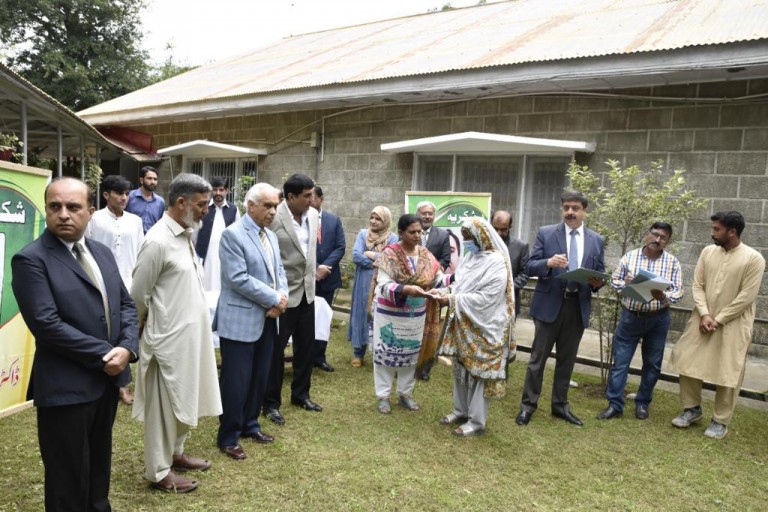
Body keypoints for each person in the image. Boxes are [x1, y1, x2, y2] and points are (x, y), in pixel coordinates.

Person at [11, 177, 138, 511]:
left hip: (105, 384)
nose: (64, 214)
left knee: (98, 470)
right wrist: (106, 355)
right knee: (67, 481)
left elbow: (125, 305)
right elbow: (47, 325)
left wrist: (127, 348)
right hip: (65, 389)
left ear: (90, 212)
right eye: (55, 206)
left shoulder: (102, 253)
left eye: (73, 206)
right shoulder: (31, 259)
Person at [130, 173, 222, 493]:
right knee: (163, 407)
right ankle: (158, 471)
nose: (206, 210)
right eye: (201, 205)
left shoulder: (185, 234)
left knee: (186, 396)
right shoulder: (157, 240)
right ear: (181, 203)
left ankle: (175, 453)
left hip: (191, 339)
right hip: (166, 340)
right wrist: (142, 333)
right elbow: (138, 295)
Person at [670, 211, 765, 440]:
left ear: (732, 231)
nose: (712, 233)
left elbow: (747, 296)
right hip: (702, 318)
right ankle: (691, 408)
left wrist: (719, 318)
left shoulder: (754, 259)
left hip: (734, 322)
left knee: (729, 370)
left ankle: (720, 420)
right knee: (687, 358)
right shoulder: (707, 252)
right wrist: (704, 314)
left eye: (716, 229)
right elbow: (697, 285)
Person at [516, 190, 605, 427]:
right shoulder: (546, 233)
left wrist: (598, 282)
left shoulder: (596, 240)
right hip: (549, 305)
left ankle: (560, 406)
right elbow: (530, 266)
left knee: (567, 361)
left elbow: (600, 272)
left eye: (575, 208)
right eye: (566, 208)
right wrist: (548, 262)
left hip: (577, 307)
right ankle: (527, 406)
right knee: (537, 360)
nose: (570, 212)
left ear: (584, 211)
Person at [214, 183, 288, 460]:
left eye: (275, 206)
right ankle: (228, 436)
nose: (273, 211)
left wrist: (282, 298)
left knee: (259, 376)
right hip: (240, 319)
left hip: (268, 318)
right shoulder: (232, 235)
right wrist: (274, 299)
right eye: (268, 206)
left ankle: (250, 424)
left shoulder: (271, 236)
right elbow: (238, 278)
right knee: (236, 380)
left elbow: (279, 272)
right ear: (250, 205)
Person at [431, 217, 514, 437]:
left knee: (479, 373)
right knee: (461, 368)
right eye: (464, 237)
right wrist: (444, 292)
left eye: (469, 238)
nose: (466, 242)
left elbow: (488, 298)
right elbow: (460, 284)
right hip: (465, 322)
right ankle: (460, 411)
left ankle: (477, 422)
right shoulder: (469, 258)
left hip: (487, 326)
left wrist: (452, 300)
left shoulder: (496, 261)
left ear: (481, 237)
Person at [596, 222, 684, 421]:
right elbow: (614, 281)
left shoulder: (673, 262)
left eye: (663, 237)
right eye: (654, 234)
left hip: (658, 319)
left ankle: (643, 403)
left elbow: (679, 292)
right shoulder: (630, 257)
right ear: (647, 234)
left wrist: (663, 296)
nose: (657, 240)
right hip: (631, 317)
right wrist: (626, 284)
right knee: (620, 362)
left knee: (652, 364)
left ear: (667, 241)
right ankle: (615, 405)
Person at [371, 214, 451, 414]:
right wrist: (405, 289)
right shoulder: (390, 254)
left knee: (411, 354)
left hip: (415, 317)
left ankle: (405, 394)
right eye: (412, 232)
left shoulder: (425, 254)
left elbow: (437, 279)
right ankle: (383, 396)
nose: (417, 235)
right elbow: (383, 285)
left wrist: (452, 281)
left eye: (419, 232)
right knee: (385, 354)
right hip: (389, 315)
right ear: (401, 232)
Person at [263, 173, 322, 426]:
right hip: (283, 295)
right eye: (307, 196)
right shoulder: (274, 217)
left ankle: (301, 395)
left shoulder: (313, 215)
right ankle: (270, 403)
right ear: (290, 197)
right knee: (276, 352)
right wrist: (272, 292)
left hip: (308, 292)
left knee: (306, 348)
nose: (312, 200)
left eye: (312, 195)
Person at [86, 174, 145, 405]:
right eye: (119, 193)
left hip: (129, 284)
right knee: (104, 331)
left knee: (125, 333)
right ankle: (102, 377)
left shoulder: (135, 221)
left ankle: (122, 385)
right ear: (106, 194)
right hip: (100, 284)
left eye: (127, 194)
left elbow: (140, 252)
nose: (124, 198)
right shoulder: (95, 219)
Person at [347, 206, 397, 367]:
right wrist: (377, 261)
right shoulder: (363, 234)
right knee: (362, 312)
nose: (373, 221)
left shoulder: (393, 239)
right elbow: (356, 255)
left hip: (382, 282)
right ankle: (358, 353)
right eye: (372, 218)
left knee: (381, 314)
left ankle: (380, 352)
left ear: (386, 221)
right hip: (364, 281)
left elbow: (391, 260)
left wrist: (369, 254)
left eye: (378, 219)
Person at [310, 185, 346, 372]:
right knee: (305, 319)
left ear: (321, 199)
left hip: (328, 278)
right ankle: (304, 356)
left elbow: (340, 247)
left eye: (312, 197)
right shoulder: (300, 220)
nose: (309, 201)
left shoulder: (333, 220)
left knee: (323, 318)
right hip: (307, 278)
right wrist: (315, 268)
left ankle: (319, 357)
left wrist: (325, 268)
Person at [415, 200, 451, 381]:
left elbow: (445, 259)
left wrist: (431, 273)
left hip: (433, 290)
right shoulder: (410, 232)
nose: (428, 216)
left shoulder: (442, 235)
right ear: (418, 214)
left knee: (431, 329)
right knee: (414, 327)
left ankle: (425, 369)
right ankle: (408, 364)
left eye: (430, 213)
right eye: (424, 213)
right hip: (413, 288)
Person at [195, 176, 240, 292]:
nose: (218, 193)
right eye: (215, 190)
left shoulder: (233, 209)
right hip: (205, 256)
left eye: (221, 189)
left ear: (227, 191)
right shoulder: (203, 208)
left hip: (226, 256)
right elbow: (194, 234)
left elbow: (239, 235)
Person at [491, 210, 529, 319]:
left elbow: (525, 274)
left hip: (509, 303)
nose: (499, 233)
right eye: (495, 229)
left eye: (503, 229)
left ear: (510, 227)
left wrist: (507, 287)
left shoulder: (521, 247)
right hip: (486, 303)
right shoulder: (483, 245)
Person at [126, 165, 165, 234]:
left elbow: (160, 223)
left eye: (155, 179)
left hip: (151, 238)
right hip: (131, 237)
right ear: (141, 180)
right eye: (149, 178)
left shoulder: (160, 202)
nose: (153, 182)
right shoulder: (129, 197)